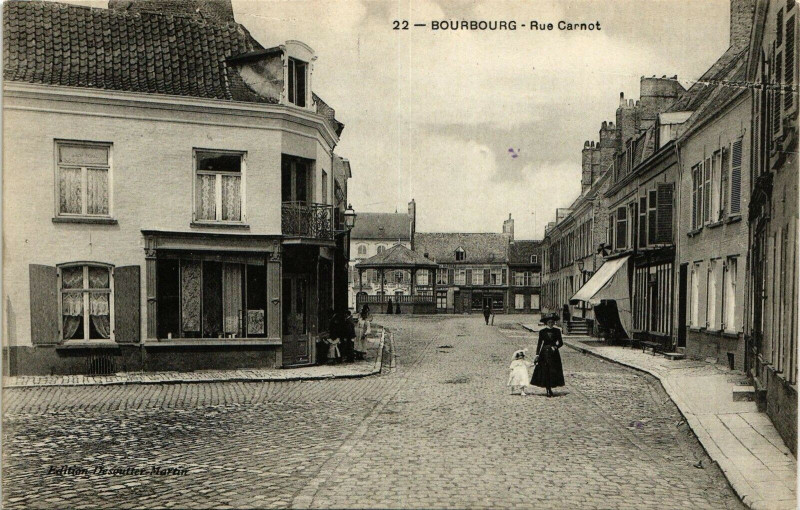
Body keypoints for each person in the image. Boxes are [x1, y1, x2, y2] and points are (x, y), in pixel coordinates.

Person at [531, 313, 565, 397]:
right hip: (544, 354)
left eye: (552, 322)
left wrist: (556, 347)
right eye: (549, 322)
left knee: (553, 370)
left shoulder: (557, 331)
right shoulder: (542, 332)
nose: (551, 324)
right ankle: (547, 388)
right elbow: (539, 343)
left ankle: (551, 387)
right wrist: (537, 354)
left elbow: (561, 343)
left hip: (554, 354)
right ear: (546, 323)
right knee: (545, 370)